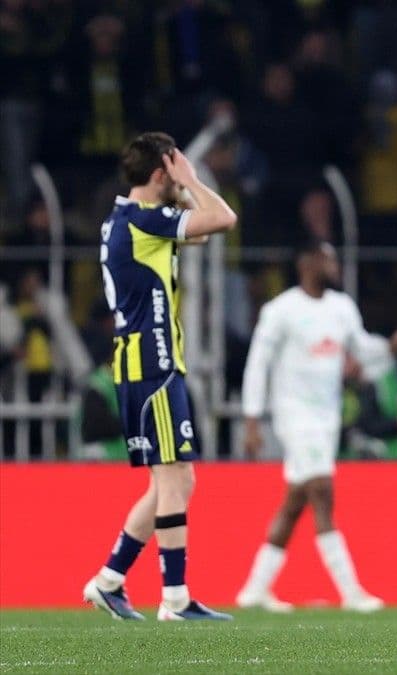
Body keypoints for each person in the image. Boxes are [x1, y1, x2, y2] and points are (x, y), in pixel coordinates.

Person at [83, 132, 237, 621]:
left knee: (173, 481)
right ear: (159, 174)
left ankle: (109, 580)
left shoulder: (125, 220)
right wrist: (191, 180)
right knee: (173, 478)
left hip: (143, 364)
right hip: (152, 364)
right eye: (172, 171)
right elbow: (223, 219)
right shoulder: (144, 220)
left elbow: (201, 232)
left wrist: (180, 185)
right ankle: (175, 598)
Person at [236, 240, 383, 613]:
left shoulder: (342, 308)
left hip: (328, 417)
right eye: (327, 258)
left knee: (294, 502)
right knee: (321, 490)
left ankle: (254, 589)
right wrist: (252, 420)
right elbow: (258, 365)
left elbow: (363, 349)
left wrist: (390, 348)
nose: (334, 265)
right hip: (294, 413)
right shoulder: (281, 310)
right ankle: (351, 591)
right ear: (306, 262)